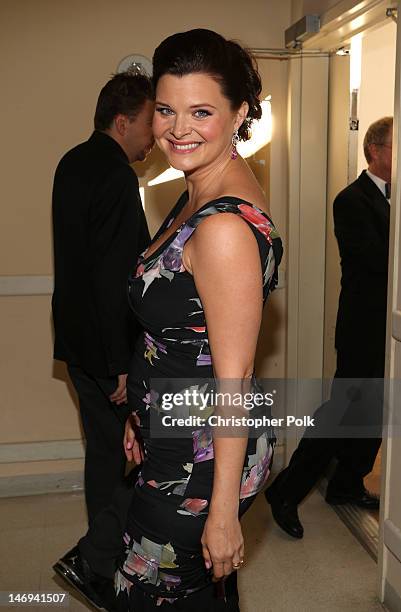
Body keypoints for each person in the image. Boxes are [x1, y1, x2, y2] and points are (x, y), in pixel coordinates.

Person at [113, 29, 283, 612]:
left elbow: (233, 380)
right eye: (166, 109)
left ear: (240, 115)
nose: (177, 128)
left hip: (203, 460)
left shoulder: (221, 228)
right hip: (180, 436)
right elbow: (185, 337)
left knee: (143, 592)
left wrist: (222, 514)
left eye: (201, 111)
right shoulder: (197, 191)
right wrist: (144, 410)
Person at [265, 116, 392, 539]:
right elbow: (376, 260)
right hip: (362, 326)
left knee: (376, 410)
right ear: (374, 150)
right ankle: (285, 490)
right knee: (340, 411)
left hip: (388, 329)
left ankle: (346, 483)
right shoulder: (351, 200)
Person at [52, 71, 154, 525]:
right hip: (107, 349)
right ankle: (105, 556)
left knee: (102, 451)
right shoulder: (116, 175)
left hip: (75, 339)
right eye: (151, 122)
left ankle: (100, 551)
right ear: (122, 122)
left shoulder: (70, 162)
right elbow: (112, 277)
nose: (155, 136)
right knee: (123, 456)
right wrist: (119, 363)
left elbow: (81, 265)